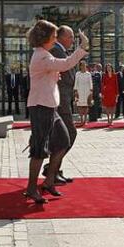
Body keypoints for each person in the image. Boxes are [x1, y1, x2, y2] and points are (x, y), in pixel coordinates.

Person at [24, 19, 88, 204]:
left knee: (63, 141)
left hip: (50, 106)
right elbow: (66, 63)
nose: (55, 39)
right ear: (44, 38)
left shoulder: (44, 54)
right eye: (53, 36)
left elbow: (58, 68)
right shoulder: (42, 55)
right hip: (41, 106)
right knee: (39, 149)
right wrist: (83, 47)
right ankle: (31, 188)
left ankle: (49, 180)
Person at [43, 25, 79, 184]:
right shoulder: (56, 51)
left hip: (64, 100)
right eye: (70, 37)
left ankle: (54, 169)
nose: (72, 40)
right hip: (60, 102)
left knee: (62, 137)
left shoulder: (60, 51)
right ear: (61, 37)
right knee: (68, 134)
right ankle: (51, 169)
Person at [74, 60, 93, 126]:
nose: (83, 67)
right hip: (79, 90)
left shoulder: (88, 74)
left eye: (84, 65)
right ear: (80, 66)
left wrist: (91, 91)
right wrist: (75, 90)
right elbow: (76, 82)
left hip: (87, 91)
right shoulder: (77, 73)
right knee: (80, 105)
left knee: (86, 105)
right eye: (82, 65)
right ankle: (81, 119)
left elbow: (90, 82)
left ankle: (85, 119)